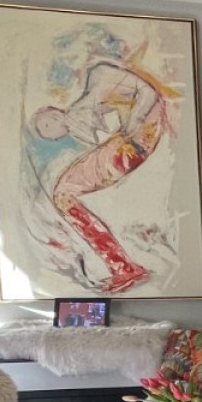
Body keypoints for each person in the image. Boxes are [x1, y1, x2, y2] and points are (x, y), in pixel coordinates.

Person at [32, 45, 176, 294]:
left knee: (63, 194)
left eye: (45, 126)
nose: (50, 136)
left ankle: (124, 268)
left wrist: (134, 121)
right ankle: (123, 267)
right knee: (64, 194)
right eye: (47, 136)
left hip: (138, 136)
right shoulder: (87, 112)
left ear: (54, 115)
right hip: (134, 139)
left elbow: (148, 93)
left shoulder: (98, 77)